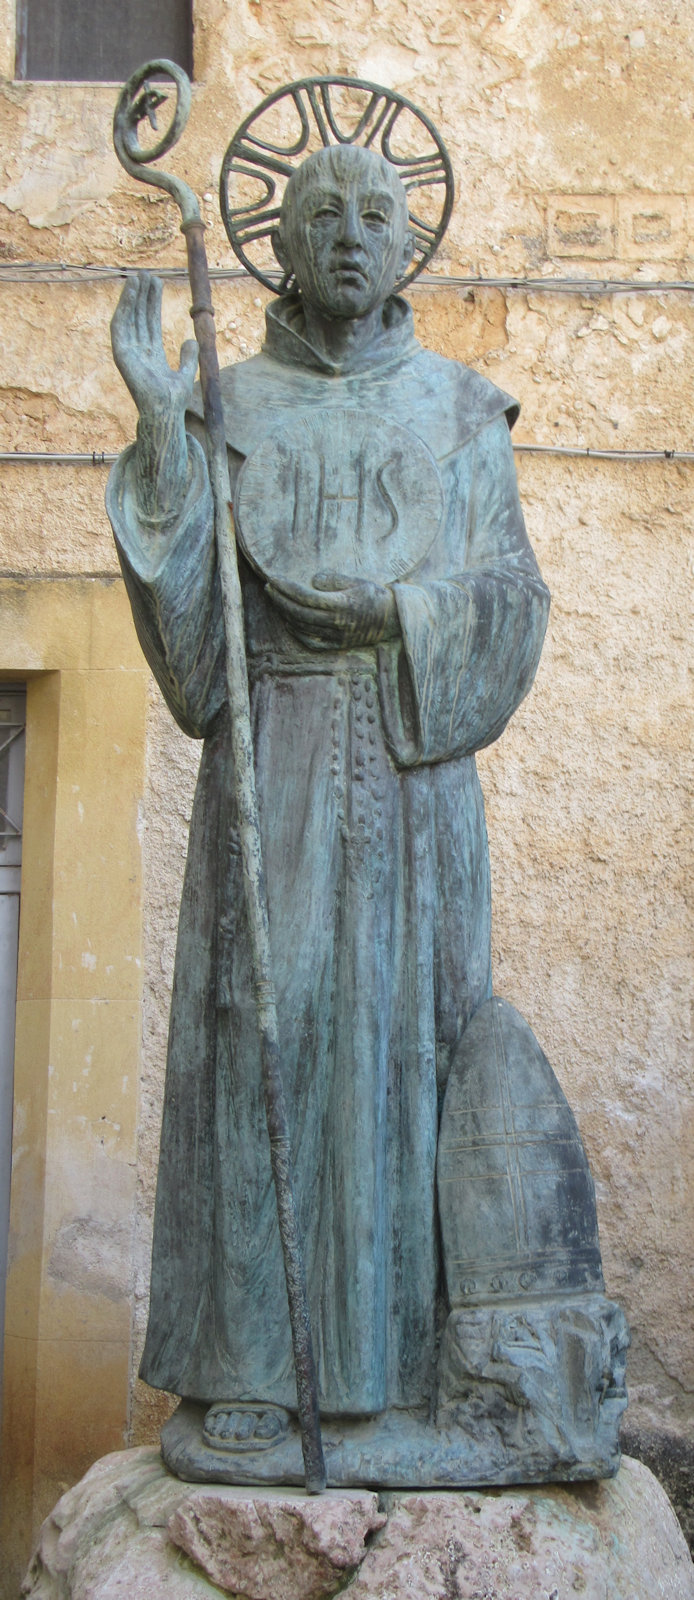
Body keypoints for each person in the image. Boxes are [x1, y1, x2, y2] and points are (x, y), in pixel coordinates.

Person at [107, 142, 550, 1467]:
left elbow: (509, 602)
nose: (351, 235)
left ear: (409, 241)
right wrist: (158, 431)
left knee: (409, 1049)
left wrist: (394, 616)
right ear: (280, 241)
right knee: (265, 1043)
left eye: (376, 213)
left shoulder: (465, 411)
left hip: (416, 781)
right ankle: (248, 1369)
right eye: (322, 214)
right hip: (273, 761)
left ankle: (414, 1378)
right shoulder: (223, 403)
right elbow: (193, 657)